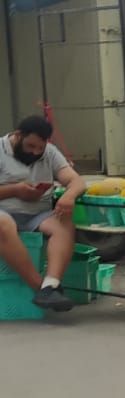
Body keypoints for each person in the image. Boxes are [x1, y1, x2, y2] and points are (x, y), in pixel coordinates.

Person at [0, 113, 88, 312]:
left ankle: (51, 284)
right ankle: (40, 287)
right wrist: (15, 190)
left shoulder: (49, 152)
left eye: (40, 148)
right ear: (17, 136)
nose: (35, 152)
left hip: (37, 212)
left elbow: (76, 181)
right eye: (30, 146)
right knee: (3, 225)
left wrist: (69, 196)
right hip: (4, 211)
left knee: (65, 222)